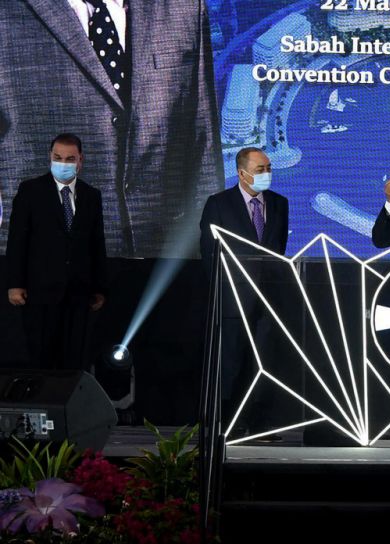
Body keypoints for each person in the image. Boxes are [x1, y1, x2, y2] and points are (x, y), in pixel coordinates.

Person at [0, 0, 224, 257]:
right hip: (47, 268)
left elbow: (203, 150)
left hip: (161, 266)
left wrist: (210, 265)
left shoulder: (183, 7)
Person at [199, 148, 288, 438]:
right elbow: (210, 252)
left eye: (268, 167)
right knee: (233, 363)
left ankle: (260, 424)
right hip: (233, 299)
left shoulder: (279, 204)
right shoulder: (219, 204)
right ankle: (228, 423)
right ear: (242, 173)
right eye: (260, 168)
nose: (267, 173)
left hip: (269, 299)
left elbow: (278, 251)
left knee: (265, 362)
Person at [6, 134, 107, 370]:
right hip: (40, 292)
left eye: (70, 158)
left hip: (79, 293)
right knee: (42, 359)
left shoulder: (91, 195)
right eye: (57, 157)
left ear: (80, 160)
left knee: (74, 361)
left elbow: (96, 244)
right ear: (50, 157)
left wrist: (100, 287)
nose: (63, 163)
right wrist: (14, 283)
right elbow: (17, 240)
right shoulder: (30, 190)